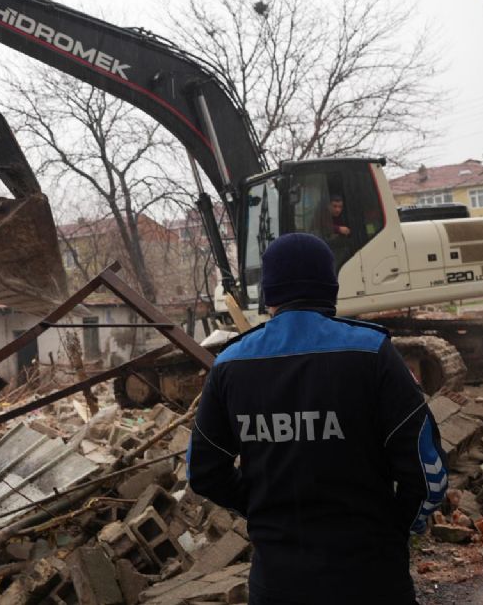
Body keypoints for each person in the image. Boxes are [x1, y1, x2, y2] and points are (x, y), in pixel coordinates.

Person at [187, 233, 446, 605]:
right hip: (372, 577)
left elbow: (203, 471)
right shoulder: (373, 353)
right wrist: (397, 528)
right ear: (331, 288)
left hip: (277, 583)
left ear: (268, 296)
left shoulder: (229, 365)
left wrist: (262, 510)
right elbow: (426, 472)